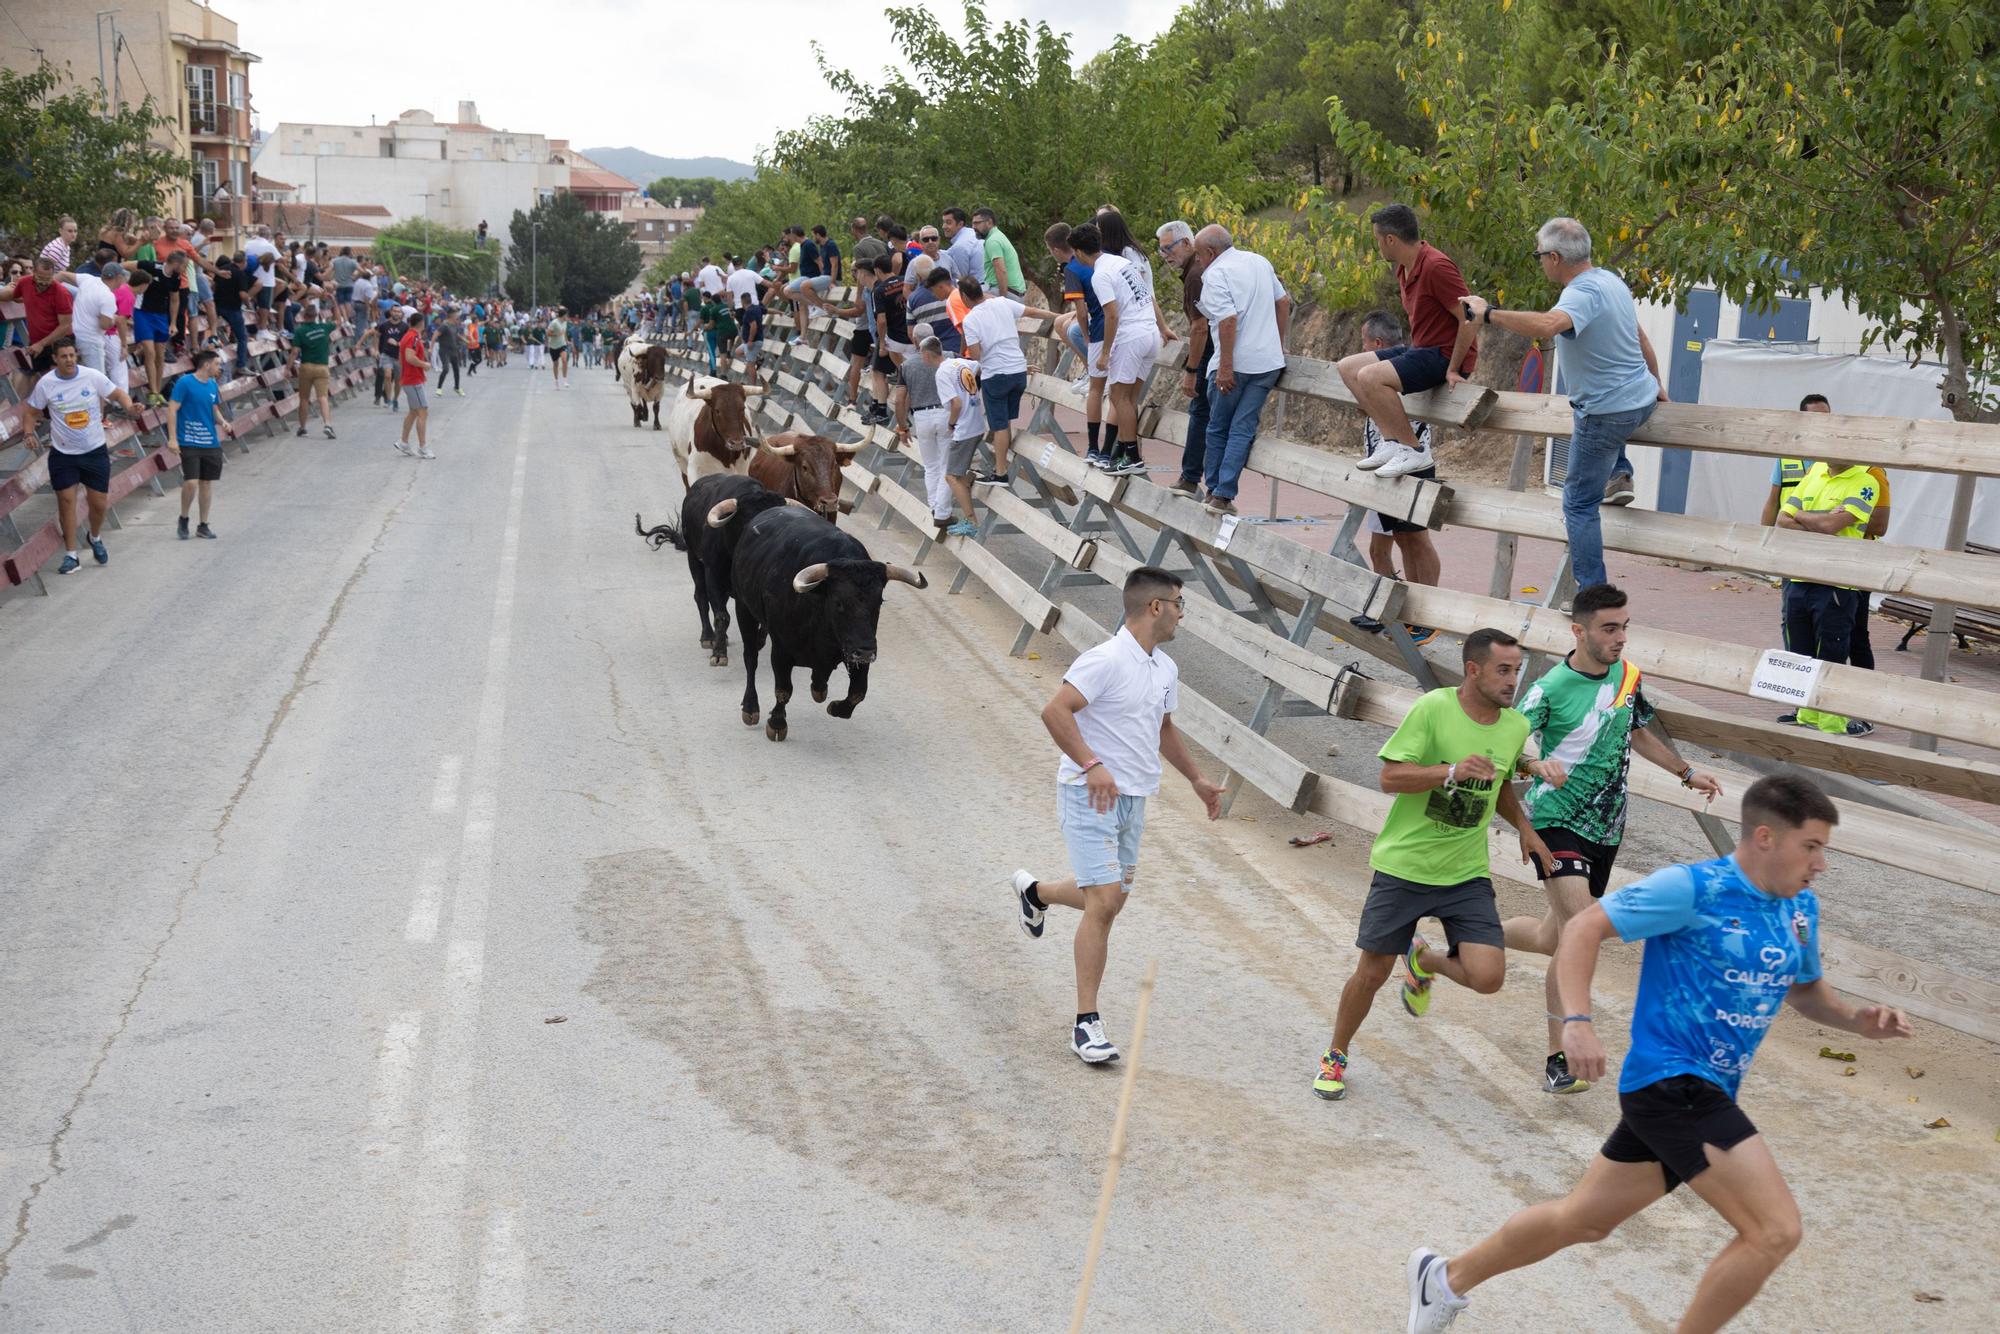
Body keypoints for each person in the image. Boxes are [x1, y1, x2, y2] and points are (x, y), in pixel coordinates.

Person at [1404, 774, 1911, 1334]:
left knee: (1583, 1219)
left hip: (1695, 1093)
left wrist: (1857, 1021)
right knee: (1774, 1230)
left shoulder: (1800, 909)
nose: (1821, 863)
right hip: (1674, 1084)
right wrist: (1576, 1022)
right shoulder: (1693, 888)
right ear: (1765, 837)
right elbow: (1583, 928)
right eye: (1811, 846)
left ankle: (1444, 1278)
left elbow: (1806, 992)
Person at [1313, 629, 1551, 1102]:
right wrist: (1451, 771)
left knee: (1488, 977)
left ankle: (1424, 960)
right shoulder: (1433, 709)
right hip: (1405, 866)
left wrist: (1525, 827)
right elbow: (1390, 777)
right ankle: (1336, 1054)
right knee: (1372, 973)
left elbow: (1501, 781)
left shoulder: (1514, 727)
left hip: (1465, 872)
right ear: (1473, 670)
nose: (1513, 681)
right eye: (1503, 670)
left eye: (1517, 671)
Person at [1506, 583, 1722, 1094]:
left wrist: (1686, 772)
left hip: (1606, 827)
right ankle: (1559, 1055)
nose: (1620, 637)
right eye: (1609, 628)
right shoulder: (1549, 689)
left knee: (1551, 937)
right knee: (1581, 931)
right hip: (1555, 820)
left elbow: (1639, 731)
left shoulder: (1628, 676)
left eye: (1624, 626)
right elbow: (1505, 743)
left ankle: (1467, 939)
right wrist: (1533, 765)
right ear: (1578, 631)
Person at [1012, 566, 1224, 1064]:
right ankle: (1086, 1025)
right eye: (1179, 604)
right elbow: (1055, 711)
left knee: (1108, 900)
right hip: (1088, 795)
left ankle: (1035, 892)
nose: (1182, 614)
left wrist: (1196, 779)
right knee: (1104, 901)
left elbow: (1163, 728)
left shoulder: (1164, 668)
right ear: (1156, 606)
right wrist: (1092, 765)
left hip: (1133, 798)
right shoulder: (1104, 660)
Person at [1459, 217, 1667, 588]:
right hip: (1642, 399)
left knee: (1578, 504)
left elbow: (1547, 325)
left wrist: (1487, 314)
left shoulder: (1579, 294)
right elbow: (1640, 338)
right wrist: (1657, 384)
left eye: (1539, 255)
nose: (1539, 261)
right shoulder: (1611, 281)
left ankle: (1593, 594)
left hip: (1606, 413)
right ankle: (1619, 473)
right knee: (1607, 426)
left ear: (1554, 257)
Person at [1336, 203, 1477, 482]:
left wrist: (1454, 367)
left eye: (1377, 239)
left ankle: (1413, 449)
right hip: (1421, 349)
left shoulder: (1436, 266)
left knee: (1370, 377)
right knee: (1348, 368)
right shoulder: (1404, 268)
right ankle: (1390, 440)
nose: (1377, 245)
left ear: (1390, 239)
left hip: (1444, 354)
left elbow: (1471, 317)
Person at [1760, 395, 1890, 677]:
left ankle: (1857, 697)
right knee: (1796, 647)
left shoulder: (1869, 473)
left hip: (1842, 574)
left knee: (1851, 639)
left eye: (1828, 419)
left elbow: (1876, 525)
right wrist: (1816, 521)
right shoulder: (1798, 462)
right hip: (1797, 568)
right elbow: (1778, 511)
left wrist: (1805, 517)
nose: (1823, 426)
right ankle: (1805, 700)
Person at [1354, 311, 1442, 645]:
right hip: (1386, 463)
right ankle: (1406, 613)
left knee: (1416, 538)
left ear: (1377, 343)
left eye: (1364, 343)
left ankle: (1427, 615)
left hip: (1412, 463)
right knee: (1402, 539)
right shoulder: (1381, 372)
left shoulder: (1405, 369)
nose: (1362, 350)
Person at [1776, 458, 1879, 736]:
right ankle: (1806, 715)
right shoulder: (1815, 472)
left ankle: (1833, 724)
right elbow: (1781, 520)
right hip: (1799, 577)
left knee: (1832, 654)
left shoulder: (1866, 480)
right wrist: (1819, 519)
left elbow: (1832, 526)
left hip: (1836, 582)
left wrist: (1802, 515)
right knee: (1800, 654)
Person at [20, 338, 139, 574]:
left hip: (94, 451)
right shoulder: (47, 383)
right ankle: (71, 555)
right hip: (63, 454)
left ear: (77, 356)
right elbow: (31, 412)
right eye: (64, 356)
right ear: (55, 359)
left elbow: (117, 394)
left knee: (99, 505)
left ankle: (94, 537)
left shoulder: (91, 376)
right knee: (66, 502)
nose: (69, 360)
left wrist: (130, 407)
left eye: (72, 355)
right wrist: (28, 433)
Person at [1194, 224, 1290, 513]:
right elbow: (1283, 302)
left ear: (1210, 252)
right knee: (1242, 428)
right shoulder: (1259, 261)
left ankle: (1213, 490)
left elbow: (1227, 320)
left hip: (1235, 364)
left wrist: (1226, 366)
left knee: (1218, 427)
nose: (1198, 260)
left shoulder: (1215, 274)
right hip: (1267, 364)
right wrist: (1277, 342)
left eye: (1199, 255)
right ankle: (1224, 496)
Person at [1065, 222, 1160, 481]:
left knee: (1119, 397)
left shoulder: (1100, 275)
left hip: (1131, 336)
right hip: (1150, 332)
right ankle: (1122, 452)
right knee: (1130, 398)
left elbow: (1112, 314)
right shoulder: (1122, 263)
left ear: (1078, 252)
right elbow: (1148, 296)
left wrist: (1105, 352)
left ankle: (1132, 457)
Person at [959, 278, 1059, 489]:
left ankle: (1000, 472)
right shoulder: (1002, 303)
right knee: (1005, 422)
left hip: (996, 375)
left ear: (965, 297)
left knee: (999, 426)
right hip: (1018, 371)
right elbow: (1032, 311)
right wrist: (1059, 317)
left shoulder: (970, 320)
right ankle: (1002, 463)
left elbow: (976, 354)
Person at [1044, 222, 1112, 468]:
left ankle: (1097, 449)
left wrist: (1086, 336)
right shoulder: (1108, 261)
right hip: (1115, 319)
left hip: (1103, 327)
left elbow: (1082, 310)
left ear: (1055, 249)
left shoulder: (1074, 268)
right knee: (1061, 323)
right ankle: (1089, 369)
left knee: (1101, 390)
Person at [1157, 220, 1212, 496]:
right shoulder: (1196, 270)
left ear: (1188, 243)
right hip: (1218, 350)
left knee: (1201, 412)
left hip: (1212, 352)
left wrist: (1192, 370)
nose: (1165, 255)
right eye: (1161, 250)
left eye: (1169, 248)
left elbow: (1200, 327)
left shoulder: (1195, 275)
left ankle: (1192, 478)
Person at [899, 333, 962, 533]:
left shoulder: (906, 365)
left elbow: (899, 399)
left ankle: (934, 506)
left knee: (930, 466)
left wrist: (902, 426)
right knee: (946, 465)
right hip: (944, 413)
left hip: (921, 416)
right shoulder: (950, 356)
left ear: (915, 341)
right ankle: (942, 512)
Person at [168, 348, 226, 539]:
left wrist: (223, 422)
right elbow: (172, 409)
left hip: (210, 441)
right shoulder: (185, 382)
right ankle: (184, 518)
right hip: (189, 440)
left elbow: (214, 409)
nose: (219, 368)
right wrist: (173, 438)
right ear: (207, 365)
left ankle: (203, 524)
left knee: (206, 482)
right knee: (191, 482)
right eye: (217, 364)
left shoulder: (212, 385)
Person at [935, 342, 988, 532]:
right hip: (977, 424)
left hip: (964, 429)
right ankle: (969, 488)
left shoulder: (942, 373)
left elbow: (956, 404)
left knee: (951, 477)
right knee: (958, 475)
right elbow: (982, 366)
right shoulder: (960, 363)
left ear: (926, 355)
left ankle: (971, 522)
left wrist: (951, 424)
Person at [4, 255, 75, 393]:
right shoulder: (25, 282)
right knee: (33, 375)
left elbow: (65, 325)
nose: (43, 283)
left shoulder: (61, 293)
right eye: (40, 278)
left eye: (48, 279)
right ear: (34, 273)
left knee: (57, 381)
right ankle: (29, 405)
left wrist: (41, 344)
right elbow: (13, 295)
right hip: (36, 341)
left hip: (58, 341)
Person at [290, 300, 339, 438]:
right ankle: (327, 425)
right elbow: (338, 320)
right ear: (316, 315)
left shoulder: (300, 331)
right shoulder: (324, 327)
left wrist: (288, 368)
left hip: (306, 367)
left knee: (304, 398)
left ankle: (302, 427)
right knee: (322, 397)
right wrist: (334, 303)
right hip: (322, 367)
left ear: (304, 316)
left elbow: (294, 352)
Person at [397, 313, 435, 459]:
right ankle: (423, 447)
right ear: (422, 323)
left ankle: (404, 442)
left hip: (410, 378)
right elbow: (409, 357)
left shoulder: (407, 336)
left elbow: (401, 359)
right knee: (422, 412)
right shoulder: (413, 337)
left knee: (413, 412)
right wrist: (424, 364)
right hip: (413, 380)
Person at [971, 207, 1026, 298]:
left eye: (977, 223)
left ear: (989, 222)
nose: (973, 227)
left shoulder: (993, 241)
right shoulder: (998, 236)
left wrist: (1002, 299)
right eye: (973, 223)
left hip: (1005, 292)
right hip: (1013, 293)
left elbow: (1001, 270)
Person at [939, 207, 985, 287]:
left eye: (948, 223)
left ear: (960, 224)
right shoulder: (971, 233)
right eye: (944, 222)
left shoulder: (960, 246)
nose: (944, 226)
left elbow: (961, 279)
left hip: (979, 289)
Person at [434, 311, 467, 397]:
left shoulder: (454, 326)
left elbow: (456, 335)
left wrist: (465, 340)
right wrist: (430, 347)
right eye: (456, 317)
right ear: (452, 317)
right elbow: (435, 334)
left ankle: (457, 387)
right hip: (444, 351)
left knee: (456, 370)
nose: (458, 319)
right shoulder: (444, 326)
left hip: (453, 351)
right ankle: (439, 388)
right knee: (446, 369)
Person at [546, 306, 570, 388]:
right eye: (567, 315)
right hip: (553, 346)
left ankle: (565, 380)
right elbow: (548, 333)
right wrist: (556, 335)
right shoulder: (554, 323)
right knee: (556, 364)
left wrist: (566, 340)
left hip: (562, 345)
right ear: (563, 315)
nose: (567, 316)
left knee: (564, 360)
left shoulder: (565, 322)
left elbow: (564, 332)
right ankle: (556, 381)